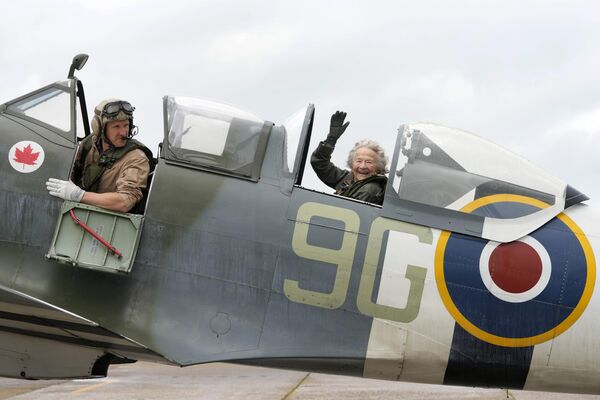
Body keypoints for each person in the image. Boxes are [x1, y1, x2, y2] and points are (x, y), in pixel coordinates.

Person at [46, 99, 152, 213]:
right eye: (116, 126)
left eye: (126, 125)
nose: (123, 132)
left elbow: (125, 201)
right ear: (99, 127)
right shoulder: (88, 144)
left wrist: (79, 195)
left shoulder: (136, 158)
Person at [311, 111, 388, 205]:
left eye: (369, 162)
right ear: (352, 163)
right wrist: (331, 139)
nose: (362, 166)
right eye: (359, 161)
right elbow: (319, 163)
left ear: (379, 167)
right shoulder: (349, 179)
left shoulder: (370, 189)